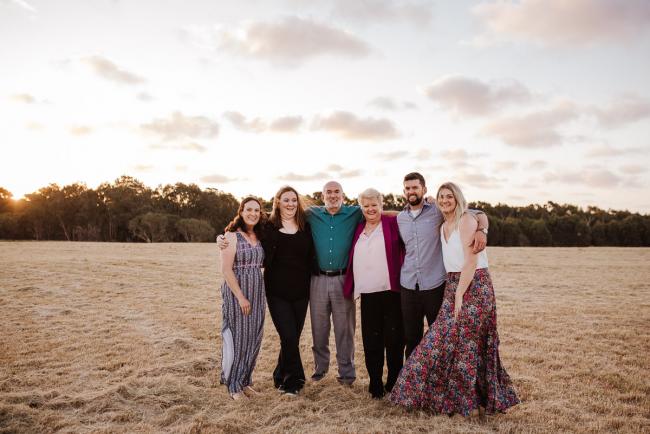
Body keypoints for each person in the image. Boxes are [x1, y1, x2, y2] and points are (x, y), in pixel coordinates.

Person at [389, 182, 519, 416]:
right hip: (453, 285)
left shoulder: (466, 220)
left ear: (458, 198)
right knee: (441, 340)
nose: (446, 200)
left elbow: (471, 261)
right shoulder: (442, 222)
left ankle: (471, 404)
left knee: (470, 344)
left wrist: (459, 293)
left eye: (450, 196)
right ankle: (448, 398)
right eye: (442, 197)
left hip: (475, 285)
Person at [397, 172, 488, 358]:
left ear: (424, 189)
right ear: (404, 191)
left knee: (440, 337)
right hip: (408, 285)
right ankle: (414, 384)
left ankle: (438, 381)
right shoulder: (400, 218)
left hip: (435, 285)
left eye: (415, 187)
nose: (411, 191)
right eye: (407, 188)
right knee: (411, 338)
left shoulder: (437, 211)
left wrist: (482, 229)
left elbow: (474, 212)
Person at [342, 188, 405, 399]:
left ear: (381, 205)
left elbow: (406, 214)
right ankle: (375, 384)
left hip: (391, 291)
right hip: (367, 294)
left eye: (374, 205)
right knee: (371, 342)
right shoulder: (358, 228)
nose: (370, 209)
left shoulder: (392, 224)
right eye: (366, 205)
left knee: (394, 340)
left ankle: (394, 383)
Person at [306, 181, 362, 385]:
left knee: (344, 329)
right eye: (328, 192)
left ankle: (347, 373)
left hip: (343, 279)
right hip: (317, 279)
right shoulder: (311, 214)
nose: (332, 195)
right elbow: (282, 217)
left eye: (336, 191)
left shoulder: (355, 213)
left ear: (343, 194)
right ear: (322, 196)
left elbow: (380, 212)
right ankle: (320, 369)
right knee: (319, 328)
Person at [263, 186, 314, 396]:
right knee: (288, 337)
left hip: (302, 292)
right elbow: (242, 224)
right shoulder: (267, 225)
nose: (291, 204)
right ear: (277, 202)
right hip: (277, 292)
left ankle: (279, 374)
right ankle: (295, 381)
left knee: (292, 337)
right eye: (286, 200)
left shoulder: (306, 225)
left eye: (294, 200)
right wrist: (224, 237)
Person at [219, 196, 266, 400]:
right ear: (241, 211)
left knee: (253, 338)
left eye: (257, 210)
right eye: (249, 209)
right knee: (239, 338)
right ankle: (233, 386)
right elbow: (226, 270)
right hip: (239, 292)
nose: (253, 213)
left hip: (257, 291)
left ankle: (245, 381)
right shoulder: (230, 236)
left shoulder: (259, 234)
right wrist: (240, 297)